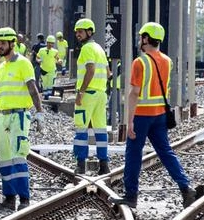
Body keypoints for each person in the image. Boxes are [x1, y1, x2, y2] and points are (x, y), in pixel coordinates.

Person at [110, 23, 197, 208]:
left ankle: (131, 195)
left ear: (146, 38)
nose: (140, 39)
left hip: (142, 115)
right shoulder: (167, 61)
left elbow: (134, 93)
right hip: (160, 116)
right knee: (166, 153)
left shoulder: (140, 62)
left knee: (133, 154)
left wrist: (129, 121)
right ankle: (186, 187)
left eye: (142, 36)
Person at [0, 27, 46, 210]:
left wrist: (39, 112)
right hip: (3, 117)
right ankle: (9, 198)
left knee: (18, 156)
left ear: (12, 43)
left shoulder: (23, 63)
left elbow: (32, 88)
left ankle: (24, 199)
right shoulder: (1, 67)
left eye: (2, 43)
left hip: (19, 115)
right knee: (4, 158)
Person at [72, 18, 111, 175]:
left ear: (89, 32)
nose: (77, 35)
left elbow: (90, 70)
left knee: (81, 129)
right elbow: (108, 73)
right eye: (76, 32)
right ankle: (104, 165)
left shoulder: (87, 49)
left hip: (88, 94)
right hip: (101, 94)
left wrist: (81, 92)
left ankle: (81, 165)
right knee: (100, 130)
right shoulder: (100, 49)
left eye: (80, 32)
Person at [35, 35, 62, 99]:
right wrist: (38, 60)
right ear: (47, 42)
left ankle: (48, 97)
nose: (50, 44)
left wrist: (60, 61)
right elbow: (37, 57)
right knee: (44, 85)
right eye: (49, 42)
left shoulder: (55, 51)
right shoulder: (41, 50)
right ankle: (45, 97)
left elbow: (58, 58)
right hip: (43, 70)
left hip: (52, 70)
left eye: (52, 43)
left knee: (50, 85)